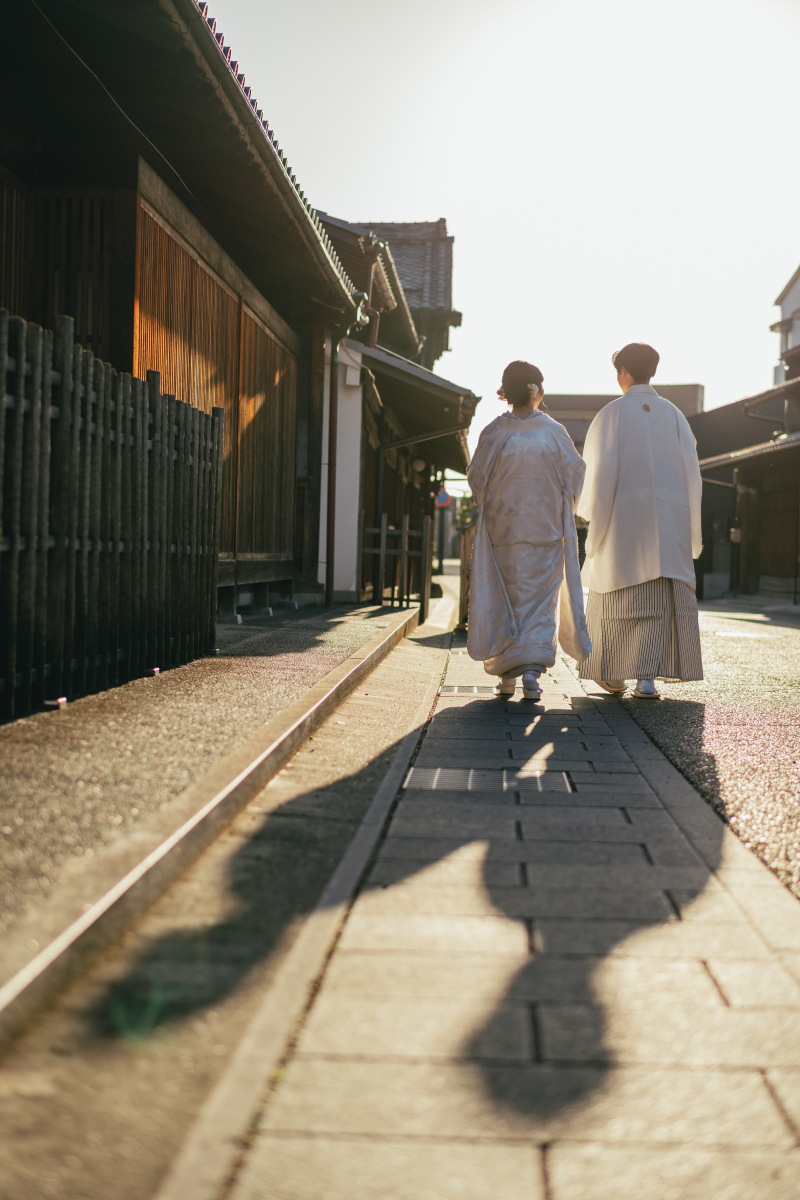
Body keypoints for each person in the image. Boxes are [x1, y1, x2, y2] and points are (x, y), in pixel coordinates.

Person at [577, 342, 703, 698]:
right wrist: (689, 527)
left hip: (624, 524)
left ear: (623, 373)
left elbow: (598, 478)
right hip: (669, 522)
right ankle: (647, 678)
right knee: (660, 602)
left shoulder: (611, 414)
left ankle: (616, 675)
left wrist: (592, 524)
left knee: (622, 598)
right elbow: (693, 474)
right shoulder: (675, 415)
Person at [466, 360, 592, 700]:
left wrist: (491, 506)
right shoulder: (552, 431)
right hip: (545, 532)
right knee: (538, 603)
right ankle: (532, 676)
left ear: (507, 391)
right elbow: (575, 474)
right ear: (536, 391)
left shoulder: (494, 432)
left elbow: (476, 477)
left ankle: (506, 676)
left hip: (502, 533)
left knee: (504, 600)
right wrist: (567, 504)